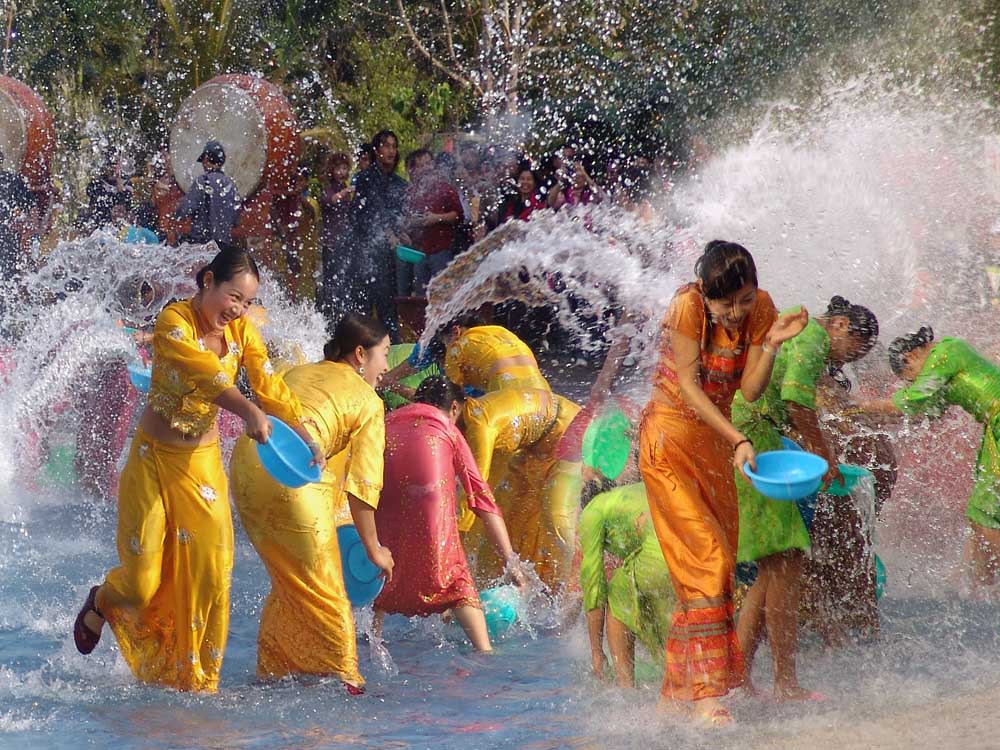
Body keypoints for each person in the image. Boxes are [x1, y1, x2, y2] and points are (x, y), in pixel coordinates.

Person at [72, 247, 315, 692]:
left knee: (212, 572)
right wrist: (248, 413)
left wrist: (303, 432)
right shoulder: (173, 323)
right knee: (140, 583)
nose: (237, 309)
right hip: (152, 462)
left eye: (246, 302)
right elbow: (207, 376)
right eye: (232, 296)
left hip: (201, 469)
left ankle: (196, 683)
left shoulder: (243, 331)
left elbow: (268, 383)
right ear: (207, 282)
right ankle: (103, 600)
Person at [639, 240, 807, 725]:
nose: (736, 313)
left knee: (715, 568)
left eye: (745, 300)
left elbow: (750, 391)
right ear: (706, 296)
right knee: (706, 561)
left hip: (716, 447)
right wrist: (738, 440)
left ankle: (675, 693)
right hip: (669, 442)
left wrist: (772, 344)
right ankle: (708, 697)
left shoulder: (762, 309)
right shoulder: (686, 305)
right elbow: (690, 388)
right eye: (726, 303)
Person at [230, 313, 393, 690]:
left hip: (247, 464)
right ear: (359, 354)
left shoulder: (300, 371)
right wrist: (374, 549)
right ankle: (348, 689)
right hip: (294, 475)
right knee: (328, 590)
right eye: (384, 354)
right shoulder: (369, 401)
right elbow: (363, 487)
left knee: (292, 581)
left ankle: (277, 673)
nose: (387, 366)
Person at [731, 295, 879, 700]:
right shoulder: (812, 335)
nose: (849, 361)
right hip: (755, 442)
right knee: (787, 560)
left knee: (772, 565)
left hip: (753, 439)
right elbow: (796, 400)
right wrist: (823, 452)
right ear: (842, 326)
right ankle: (785, 683)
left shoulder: (799, 330)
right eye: (855, 350)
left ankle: (741, 676)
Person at [374, 377, 524, 651]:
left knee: (383, 574)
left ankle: (372, 635)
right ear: (454, 408)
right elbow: (482, 500)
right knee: (455, 578)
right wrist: (510, 560)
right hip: (429, 505)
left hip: (382, 505)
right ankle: (484, 650)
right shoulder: (447, 428)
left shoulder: (387, 422)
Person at [858, 327, 1000, 590]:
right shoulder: (943, 365)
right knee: (980, 511)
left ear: (911, 357)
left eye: (910, 377)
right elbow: (926, 412)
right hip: (994, 429)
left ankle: (986, 586)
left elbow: (912, 401)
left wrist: (854, 408)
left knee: (986, 513)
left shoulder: (945, 353)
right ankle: (976, 583)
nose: (913, 382)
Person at [581, 480, 674, 689]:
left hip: (661, 556)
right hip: (689, 547)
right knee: (663, 612)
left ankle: (625, 689)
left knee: (618, 592)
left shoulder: (592, 511)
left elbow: (593, 584)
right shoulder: (632, 491)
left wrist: (596, 651)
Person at [351, 130, 408, 343]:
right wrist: (388, 233)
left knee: (389, 309)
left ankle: (390, 355)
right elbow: (367, 214)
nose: (391, 151)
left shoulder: (399, 184)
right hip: (365, 252)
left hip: (389, 257)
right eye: (386, 146)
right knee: (363, 308)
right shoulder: (365, 179)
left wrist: (403, 234)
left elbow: (399, 215)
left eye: (394, 146)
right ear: (376, 151)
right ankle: (358, 353)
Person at [404, 149, 463, 296]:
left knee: (442, 297)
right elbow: (406, 220)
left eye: (429, 163)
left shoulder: (445, 188)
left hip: (441, 251)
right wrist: (409, 226)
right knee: (421, 297)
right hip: (419, 252)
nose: (427, 168)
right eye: (422, 165)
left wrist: (436, 218)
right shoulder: (411, 192)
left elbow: (458, 215)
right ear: (414, 170)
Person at [175, 140, 242, 245]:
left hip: (202, 245)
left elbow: (183, 211)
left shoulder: (202, 182)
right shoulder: (231, 186)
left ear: (206, 159)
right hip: (224, 246)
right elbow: (235, 221)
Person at [316, 152, 356, 323]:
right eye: (338, 168)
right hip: (331, 243)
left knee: (345, 282)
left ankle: (343, 316)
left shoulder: (347, 188)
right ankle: (329, 317)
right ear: (332, 170)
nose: (341, 171)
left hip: (345, 242)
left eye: (344, 168)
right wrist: (344, 193)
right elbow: (327, 201)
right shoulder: (329, 188)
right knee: (331, 283)